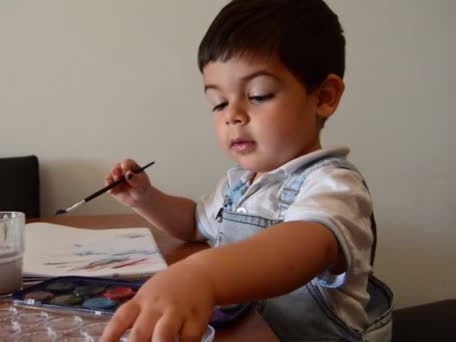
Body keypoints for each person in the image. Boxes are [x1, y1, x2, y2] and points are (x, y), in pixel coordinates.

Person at [100, 0, 393, 341]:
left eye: (258, 95)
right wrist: (147, 199)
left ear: (323, 96)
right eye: (219, 103)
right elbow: (195, 222)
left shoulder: (334, 186)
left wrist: (201, 274)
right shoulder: (239, 184)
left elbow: (300, 245)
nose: (232, 115)